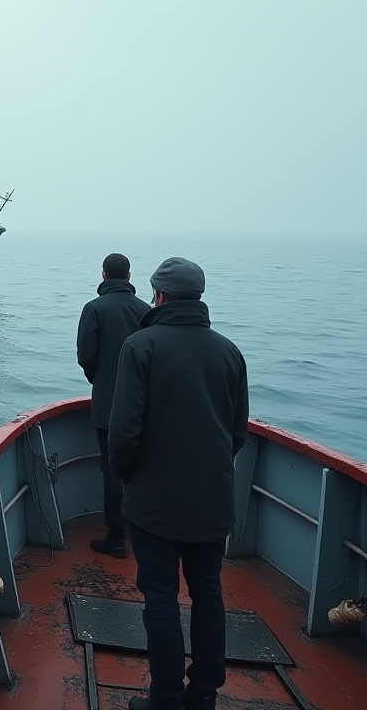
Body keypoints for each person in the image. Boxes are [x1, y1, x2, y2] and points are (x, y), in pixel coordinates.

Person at [109, 257, 249, 710]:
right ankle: (204, 693)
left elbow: (125, 431)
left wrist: (128, 476)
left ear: (159, 295)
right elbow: (237, 432)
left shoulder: (140, 346)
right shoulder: (229, 351)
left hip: (154, 503)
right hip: (213, 502)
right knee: (208, 591)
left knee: (161, 598)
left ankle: (165, 697)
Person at [76, 252, 150, 558]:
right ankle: (143, 532)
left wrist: (100, 381)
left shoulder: (94, 309)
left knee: (111, 469)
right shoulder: (147, 310)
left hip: (108, 402)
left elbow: (85, 355)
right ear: (130, 277)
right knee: (141, 468)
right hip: (144, 403)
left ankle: (117, 538)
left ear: (104, 276)